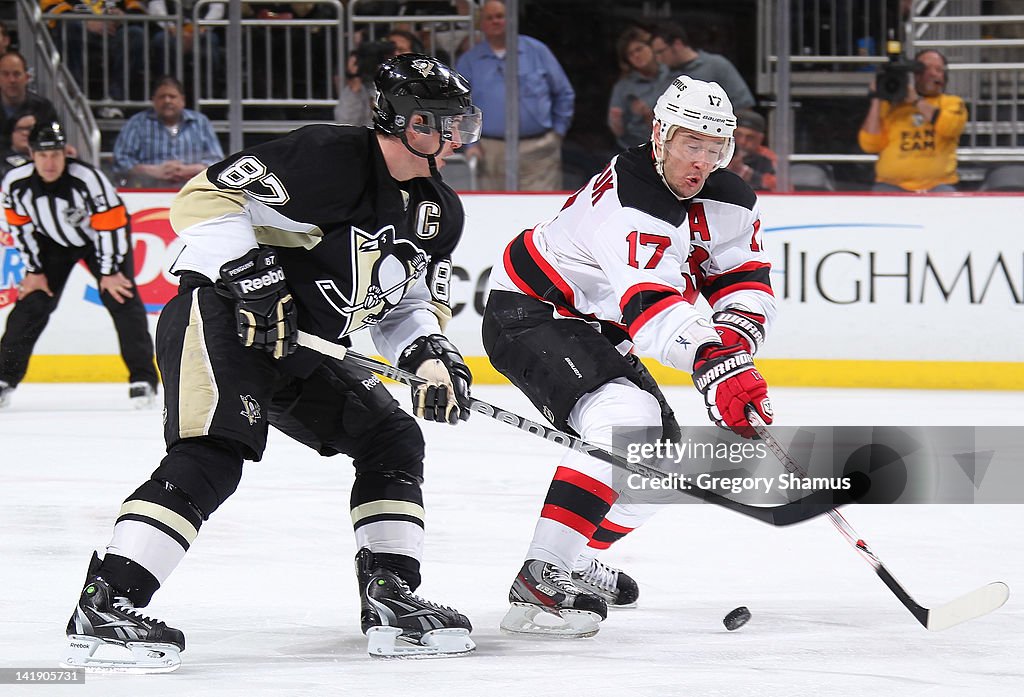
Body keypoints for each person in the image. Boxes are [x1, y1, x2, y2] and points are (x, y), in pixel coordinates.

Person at [62, 53, 484, 671]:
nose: (450, 138)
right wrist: (247, 269)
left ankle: (391, 597)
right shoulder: (326, 157)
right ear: (394, 120)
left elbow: (408, 302)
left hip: (300, 346)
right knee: (215, 450)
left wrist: (428, 353)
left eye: (457, 123)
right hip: (222, 318)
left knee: (391, 437)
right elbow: (200, 199)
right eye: (433, 122)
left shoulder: (439, 211)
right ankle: (106, 602)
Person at [482, 76, 775, 638]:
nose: (704, 161)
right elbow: (651, 304)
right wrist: (714, 363)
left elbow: (742, 276)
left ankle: (573, 560)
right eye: (692, 144)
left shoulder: (729, 198)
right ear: (660, 135)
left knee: (658, 461)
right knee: (623, 424)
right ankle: (542, 577)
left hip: (597, 325)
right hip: (533, 308)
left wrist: (735, 344)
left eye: (717, 148)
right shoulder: (631, 198)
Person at [0, 121, 158, 409]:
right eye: (43, 155)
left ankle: (143, 379)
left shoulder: (88, 179)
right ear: (32, 154)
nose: (50, 162)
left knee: (121, 298)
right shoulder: (16, 182)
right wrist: (34, 270)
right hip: (52, 243)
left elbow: (111, 226)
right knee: (32, 303)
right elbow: (19, 227)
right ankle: (4, 379)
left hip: (100, 242)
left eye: (56, 154)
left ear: (66, 153)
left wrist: (109, 272)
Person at [456, 0, 574, 190]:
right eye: (489, 17)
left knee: (541, 212)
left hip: (538, 150)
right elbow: (461, 107)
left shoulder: (537, 51)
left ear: (511, 19)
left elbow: (564, 93)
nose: (495, 21)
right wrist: (471, 145)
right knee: (494, 212)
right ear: (482, 24)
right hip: (489, 151)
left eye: (500, 16)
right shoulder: (469, 61)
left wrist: (558, 132)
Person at [858, 49, 967, 192]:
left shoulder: (953, 103)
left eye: (938, 69)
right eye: (925, 69)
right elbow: (870, 145)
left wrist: (916, 101)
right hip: (890, 185)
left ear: (944, 77)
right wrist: (876, 98)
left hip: (938, 185)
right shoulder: (891, 106)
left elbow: (949, 127)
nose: (933, 73)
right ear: (916, 74)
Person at [112, 76, 224, 189]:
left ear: (182, 100)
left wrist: (188, 170)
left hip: (193, 192)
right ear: (154, 100)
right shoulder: (137, 123)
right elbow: (121, 161)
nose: (167, 101)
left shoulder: (200, 123)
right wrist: (153, 171)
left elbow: (216, 160)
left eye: (172, 96)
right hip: (147, 193)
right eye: (162, 97)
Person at [651, 22, 755, 110]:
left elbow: (744, 105)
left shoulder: (717, 65)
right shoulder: (663, 73)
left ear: (677, 44)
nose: (658, 59)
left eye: (660, 52)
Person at [607, 27, 670, 151]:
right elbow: (618, 131)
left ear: (651, 47)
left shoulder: (673, 75)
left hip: (669, 148)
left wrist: (649, 115)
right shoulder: (623, 86)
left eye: (639, 49)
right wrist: (616, 120)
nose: (636, 56)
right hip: (632, 149)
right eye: (630, 54)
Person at [0, 51, 58, 152]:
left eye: (17, 74)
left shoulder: (43, 108)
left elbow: (54, 140)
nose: (12, 80)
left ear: (27, 78)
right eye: (5, 74)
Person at [726, 108, 777, 191]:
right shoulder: (719, 151)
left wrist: (747, 173)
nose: (743, 141)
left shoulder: (767, 157)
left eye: (750, 137)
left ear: (760, 139)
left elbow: (781, 185)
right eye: (738, 135)